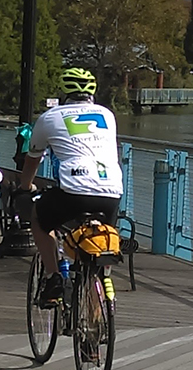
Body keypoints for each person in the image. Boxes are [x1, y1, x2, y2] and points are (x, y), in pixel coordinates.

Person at [18, 67, 124, 305]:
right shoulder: (107, 115)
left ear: (63, 93)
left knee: (40, 219)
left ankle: (54, 277)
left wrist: (26, 186)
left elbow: (33, 158)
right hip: (111, 190)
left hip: (73, 190)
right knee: (101, 244)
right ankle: (95, 317)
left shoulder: (50, 117)